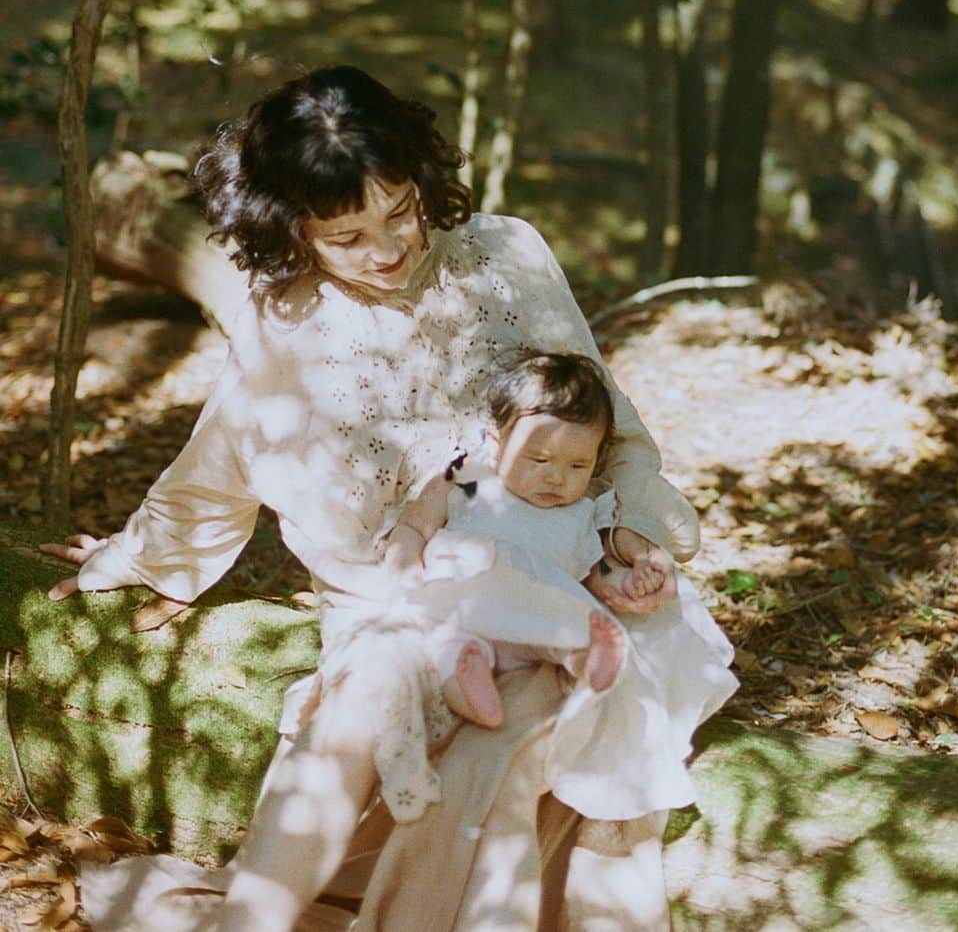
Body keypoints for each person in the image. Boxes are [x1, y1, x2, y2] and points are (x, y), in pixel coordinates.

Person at [40, 64, 727, 932]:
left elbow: (601, 422)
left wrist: (629, 542)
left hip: (562, 583)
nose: (389, 247)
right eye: (348, 234)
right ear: (293, 229)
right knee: (361, 700)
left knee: (519, 743)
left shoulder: (507, 254)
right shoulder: (284, 317)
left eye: (398, 210)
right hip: (393, 595)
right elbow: (221, 456)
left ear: (423, 182)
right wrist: (148, 559)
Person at [385, 349, 736, 823]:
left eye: (577, 466)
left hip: (536, 626)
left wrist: (630, 579)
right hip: (468, 601)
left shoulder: (580, 515)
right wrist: (405, 562)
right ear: (496, 441)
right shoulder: (470, 480)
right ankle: (469, 679)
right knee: (447, 637)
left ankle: (586, 659)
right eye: (539, 458)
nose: (556, 476)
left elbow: (594, 574)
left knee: (572, 617)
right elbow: (415, 524)